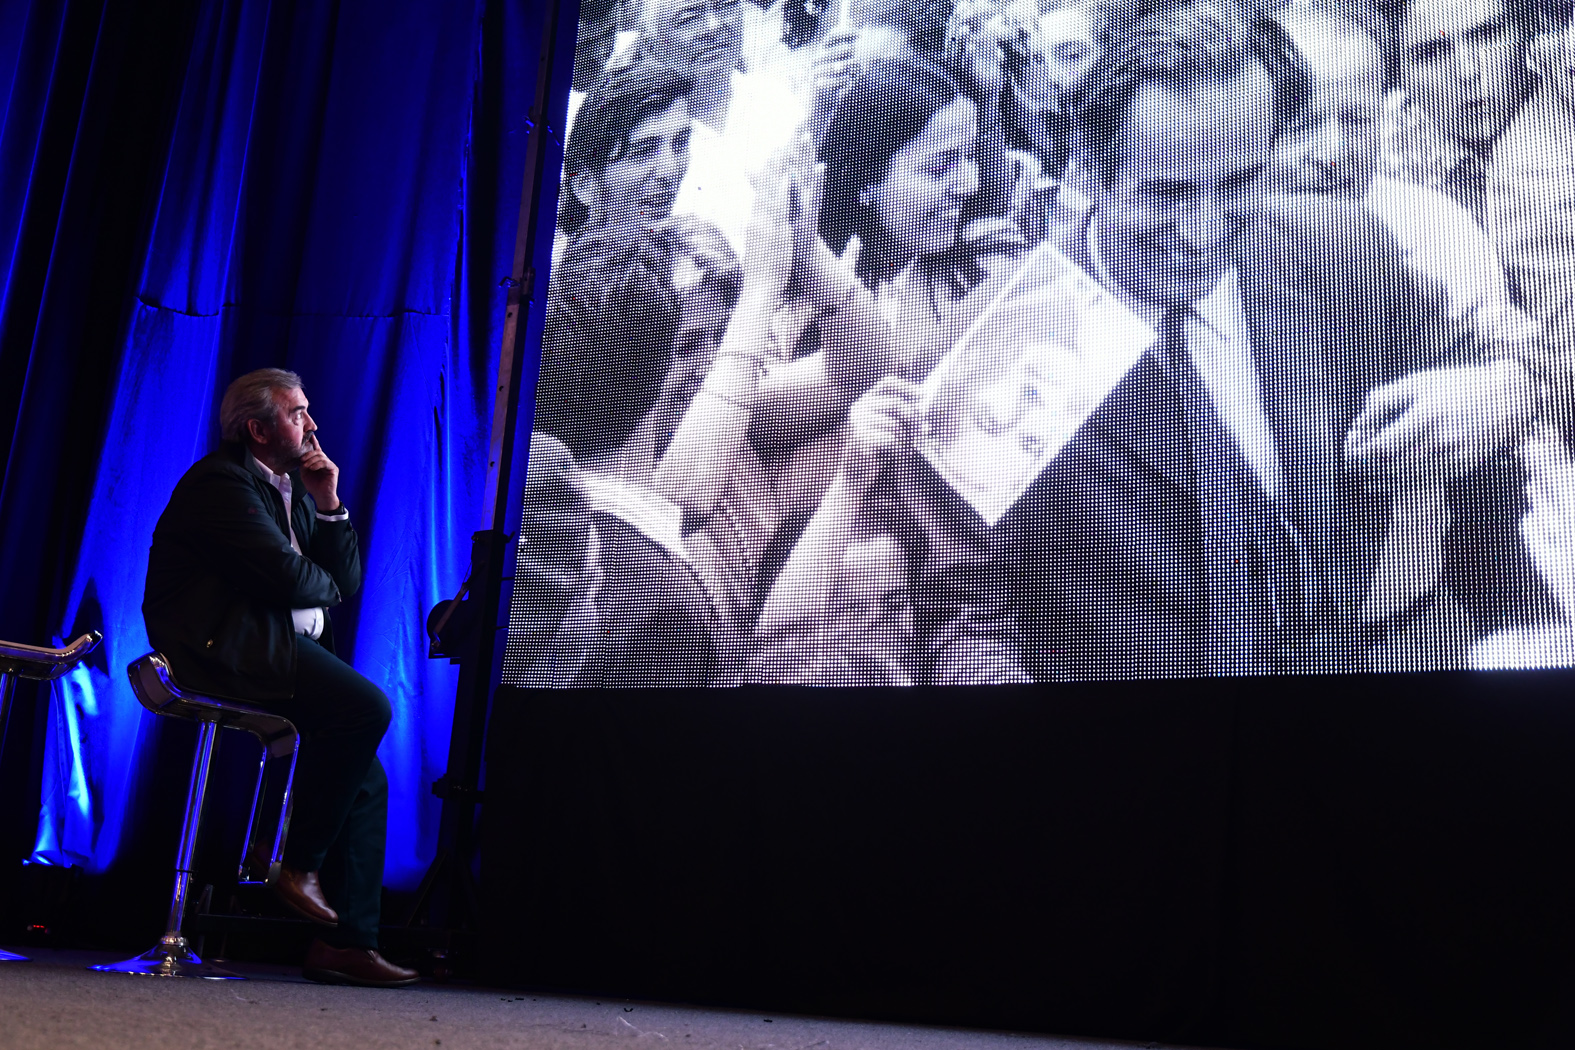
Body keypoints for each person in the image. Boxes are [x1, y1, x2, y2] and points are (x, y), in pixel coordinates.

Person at [923, 0, 1455, 682]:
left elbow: (1485, 364)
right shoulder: (997, 346)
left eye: (1238, 184)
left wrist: (1504, 386)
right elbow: (961, 616)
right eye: (1165, 194)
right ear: (1087, 165)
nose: (1202, 234)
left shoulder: (1345, 250)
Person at [142, 369, 417, 987]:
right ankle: (294, 866)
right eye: (297, 414)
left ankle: (344, 944)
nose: (312, 424)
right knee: (368, 709)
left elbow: (341, 582)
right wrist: (303, 573)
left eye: (308, 411)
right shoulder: (220, 482)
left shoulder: (289, 489)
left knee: (365, 779)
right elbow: (293, 580)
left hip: (272, 647)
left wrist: (329, 503)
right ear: (257, 429)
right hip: (224, 649)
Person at [636, 0, 809, 253]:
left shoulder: (776, 100)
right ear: (653, 45)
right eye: (689, 17)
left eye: (725, 6)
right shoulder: (645, 138)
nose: (713, 26)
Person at [1385, 0, 1538, 221]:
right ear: (1401, 75)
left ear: (1526, 36)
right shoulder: (1383, 172)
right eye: (1432, 52)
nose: (1467, 72)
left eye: (1487, 35)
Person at [557, 61, 694, 248]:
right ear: (584, 184)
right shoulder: (551, 267)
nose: (670, 171)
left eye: (680, 143)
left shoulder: (693, 261)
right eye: (643, 150)